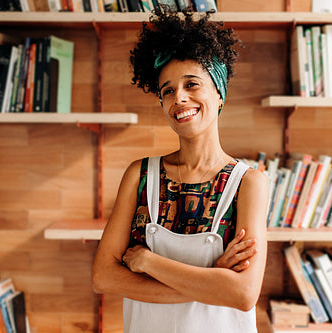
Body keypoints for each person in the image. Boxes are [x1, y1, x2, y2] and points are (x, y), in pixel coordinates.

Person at [92, 7, 269, 333]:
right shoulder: (139, 175)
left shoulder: (249, 183)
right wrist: (213, 278)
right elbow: (103, 276)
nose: (180, 98)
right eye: (168, 90)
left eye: (192, 84)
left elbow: (243, 294)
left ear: (218, 94)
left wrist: (148, 262)